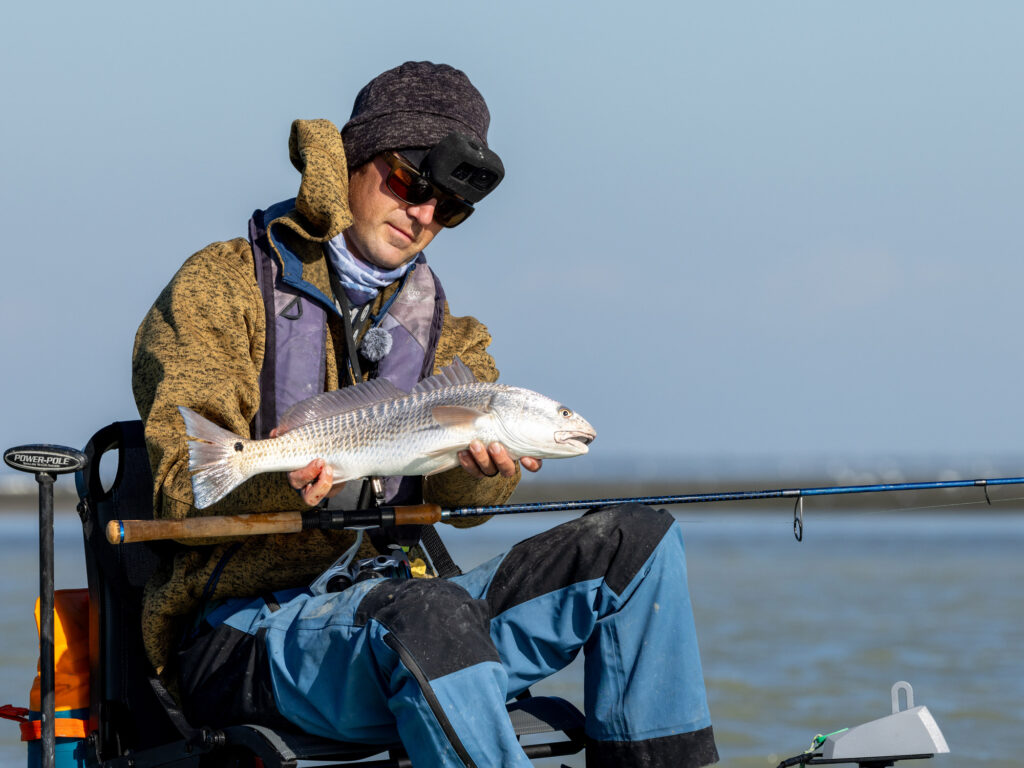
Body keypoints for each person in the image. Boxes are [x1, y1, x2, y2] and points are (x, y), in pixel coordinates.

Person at [132, 61, 719, 767]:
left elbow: (467, 506)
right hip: (246, 640)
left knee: (640, 545)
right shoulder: (219, 287)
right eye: (409, 185)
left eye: (449, 207)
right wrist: (278, 477)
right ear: (351, 161)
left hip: (397, 606)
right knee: (431, 615)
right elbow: (180, 483)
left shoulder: (454, 338)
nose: (423, 217)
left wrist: (477, 475)